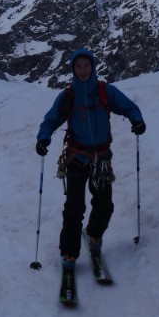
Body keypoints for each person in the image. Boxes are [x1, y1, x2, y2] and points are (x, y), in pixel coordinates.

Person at [35, 48, 145, 271]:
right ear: (73, 69)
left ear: (93, 67)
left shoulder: (105, 91)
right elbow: (51, 119)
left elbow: (128, 106)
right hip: (76, 157)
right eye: (78, 66)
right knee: (74, 208)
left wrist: (137, 120)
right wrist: (43, 138)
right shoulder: (68, 96)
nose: (83, 70)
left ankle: (94, 236)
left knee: (105, 205)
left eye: (86, 66)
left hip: (101, 157)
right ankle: (69, 252)